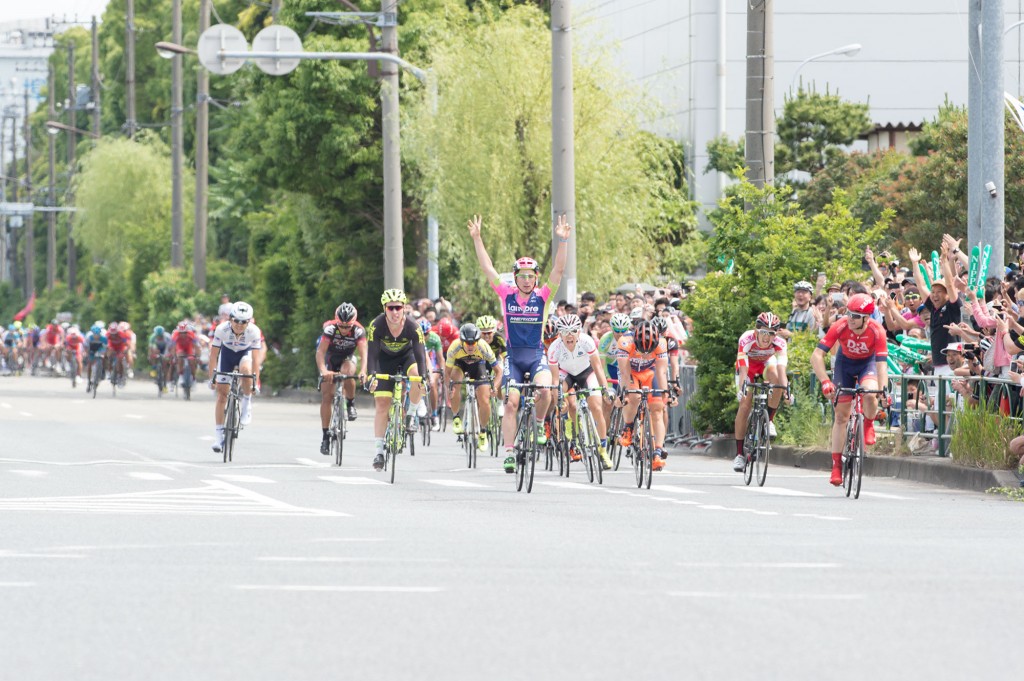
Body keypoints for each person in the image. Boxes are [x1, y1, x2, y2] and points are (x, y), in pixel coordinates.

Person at [467, 213, 572, 474]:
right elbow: (487, 269)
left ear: (536, 278)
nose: (526, 280)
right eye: (521, 276)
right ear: (515, 278)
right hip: (513, 358)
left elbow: (558, 270)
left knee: (546, 391)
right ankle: (510, 452)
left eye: (530, 276)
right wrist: (478, 239)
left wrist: (563, 242)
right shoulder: (506, 295)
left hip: (537, 355)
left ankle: (537, 422)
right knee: (511, 403)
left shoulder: (544, 297)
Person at [810, 293, 889, 486]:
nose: (850, 318)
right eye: (849, 313)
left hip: (867, 364)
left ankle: (869, 424)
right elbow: (817, 355)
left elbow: (881, 365)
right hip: (844, 365)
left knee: (870, 394)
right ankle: (836, 465)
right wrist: (825, 381)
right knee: (841, 417)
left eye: (855, 316)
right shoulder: (841, 325)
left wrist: (884, 390)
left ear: (866, 318)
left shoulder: (877, 331)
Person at [365, 289, 429, 471]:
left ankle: (411, 413)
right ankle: (378, 451)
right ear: (385, 309)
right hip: (384, 362)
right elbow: (372, 355)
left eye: (398, 308)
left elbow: (420, 355)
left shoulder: (412, 326)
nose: (394, 312)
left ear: (403, 308)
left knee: (416, 375)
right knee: (382, 405)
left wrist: (423, 378)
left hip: (406, 357)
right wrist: (371, 376)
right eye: (390, 308)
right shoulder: (376, 325)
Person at [546, 314, 615, 469]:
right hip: (566, 374)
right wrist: (559, 398)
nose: (569, 335)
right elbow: (555, 379)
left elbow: (598, 368)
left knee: (597, 407)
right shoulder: (554, 348)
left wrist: (604, 390)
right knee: (559, 395)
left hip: (586, 372)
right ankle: (568, 425)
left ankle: (603, 450)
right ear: (560, 333)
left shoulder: (587, 341)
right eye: (565, 331)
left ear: (579, 332)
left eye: (573, 331)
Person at [732, 312, 789, 471]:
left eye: (771, 334)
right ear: (756, 332)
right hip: (748, 367)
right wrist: (742, 388)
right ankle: (739, 455)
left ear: (776, 334)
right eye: (764, 332)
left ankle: (769, 421)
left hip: (766, 364)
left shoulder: (780, 343)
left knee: (777, 380)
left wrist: (786, 390)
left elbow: (781, 369)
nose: (767, 337)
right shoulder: (746, 339)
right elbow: (743, 369)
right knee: (744, 405)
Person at [616, 320, 675, 471]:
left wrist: (667, 394)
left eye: (649, 351)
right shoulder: (624, 342)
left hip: (650, 372)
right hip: (631, 373)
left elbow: (662, 372)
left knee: (657, 408)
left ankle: (657, 451)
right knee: (633, 398)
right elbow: (624, 372)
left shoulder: (661, 343)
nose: (645, 354)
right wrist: (623, 393)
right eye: (641, 350)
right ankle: (628, 428)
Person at [208, 302, 263, 453]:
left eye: (243, 322)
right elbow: (213, 355)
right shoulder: (221, 330)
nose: (239, 324)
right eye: (236, 321)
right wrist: (212, 377)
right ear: (230, 319)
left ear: (249, 322)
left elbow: (256, 360)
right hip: (226, 354)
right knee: (222, 396)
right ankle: (219, 436)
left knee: (246, 369)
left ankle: (246, 403)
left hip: (244, 354)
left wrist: (255, 382)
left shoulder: (254, 331)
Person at [315, 302, 368, 455]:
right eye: (342, 326)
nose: (344, 330)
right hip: (330, 358)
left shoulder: (359, 331)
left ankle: (350, 403)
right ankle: (325, 436)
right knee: (326, 396)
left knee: (348, 371)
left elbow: (364, 355)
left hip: (347, 358)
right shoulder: (330, 329)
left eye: (347, 327)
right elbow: (320, 352)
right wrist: (324, 370)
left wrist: (363, 371)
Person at [446, 322, 502, 452]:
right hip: (460, 365)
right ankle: (456, 417)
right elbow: (447, 372)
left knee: (485, 400)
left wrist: (496, 387)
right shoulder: (454, 347)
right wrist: (449, 387)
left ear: (478, 341)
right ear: (461, 341)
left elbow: (499, 372)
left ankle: (482, 432)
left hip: (478, 365)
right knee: (455, 385)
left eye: (473, 343)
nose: (470, 346)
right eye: (467, 343)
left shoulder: (484, 347)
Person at [171, 321, 201, 387]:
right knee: (180, 358)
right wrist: (174, 357)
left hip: (189, 347)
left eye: (185, 332)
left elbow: (197, 347)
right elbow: (173, 348)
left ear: (187, 331)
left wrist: (198, 356)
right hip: (180, 347)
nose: (183, 334)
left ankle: (193, 378)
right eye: (181, 333)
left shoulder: (191, 334)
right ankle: (181, 376)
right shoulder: (175, 334)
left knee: (192, 360)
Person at [148, 325, 174, 390]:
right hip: (157, 348)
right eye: (158, 336)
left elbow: (170, 348)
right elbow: (151, 348)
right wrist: (151, 355)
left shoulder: (167, 337)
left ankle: (165, 381)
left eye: (160, 336)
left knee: (166, 361)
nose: (159, 337)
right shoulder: (152, 337)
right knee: (153, 355)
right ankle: (154, 368)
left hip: (166, 348)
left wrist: (168, 356)